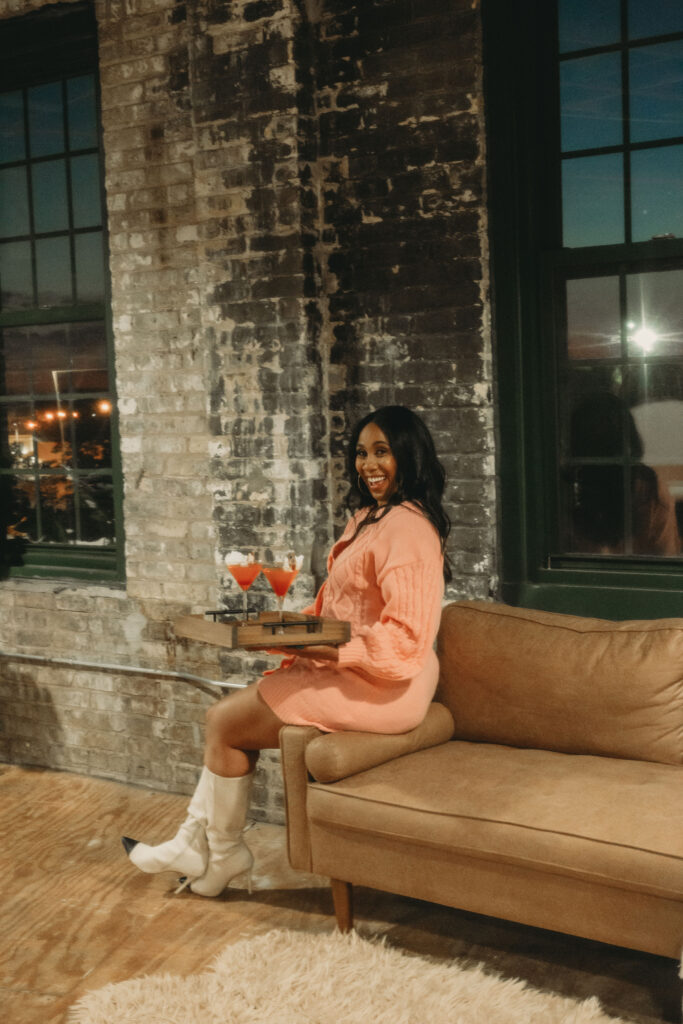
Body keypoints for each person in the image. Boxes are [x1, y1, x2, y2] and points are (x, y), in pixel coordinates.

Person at [123, 406, 451, 897]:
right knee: (227, 721)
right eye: (361, 453)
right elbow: (345, 606)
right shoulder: (369, 517)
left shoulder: (408, 528)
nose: (369, 464)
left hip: (387, 682)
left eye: (382, 451)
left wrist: (318, 646)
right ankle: (200, 847)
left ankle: (218, 850)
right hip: (355, 667)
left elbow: (405, 638)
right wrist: (291, 629)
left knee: (224, 721)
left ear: (409, 454)